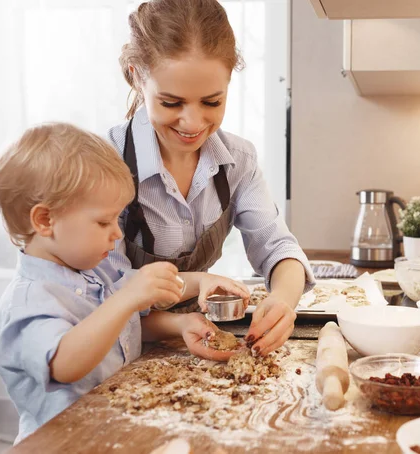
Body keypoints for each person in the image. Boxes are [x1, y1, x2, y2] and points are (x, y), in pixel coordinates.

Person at [0, 123, 241, 443]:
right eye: (104, 221)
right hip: (65, 444)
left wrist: (188, 307)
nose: (117, 233)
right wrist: (126, 299)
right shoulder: (28, 302)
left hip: (117, 431)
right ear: (45, 221)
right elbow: (66, 363)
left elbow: (122, 326)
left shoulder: (96, 271)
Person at [108, 0, 315, 357]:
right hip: (117, 351)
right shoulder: (107, 163)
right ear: (137, 76)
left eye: (212, 102)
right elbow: (104, 298)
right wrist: (193, 288)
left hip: (192, 342)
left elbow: (278, 248)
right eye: (171, 103)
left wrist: (283, 301)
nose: (193, 123)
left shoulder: (238, 161)